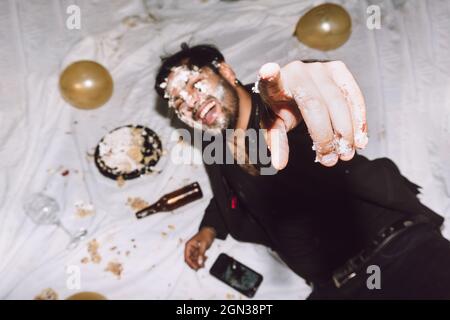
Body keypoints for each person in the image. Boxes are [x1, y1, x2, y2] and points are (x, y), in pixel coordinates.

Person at [154, 43, 450, 299]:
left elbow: (309, 95)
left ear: (227, 73)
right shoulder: (215, 143)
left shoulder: (278, 108)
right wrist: (209, 230)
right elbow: (233, 192)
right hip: (333, 288)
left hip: (397, 251)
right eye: (179, 102)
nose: (191, 102)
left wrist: (305, 89)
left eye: (195, 84)